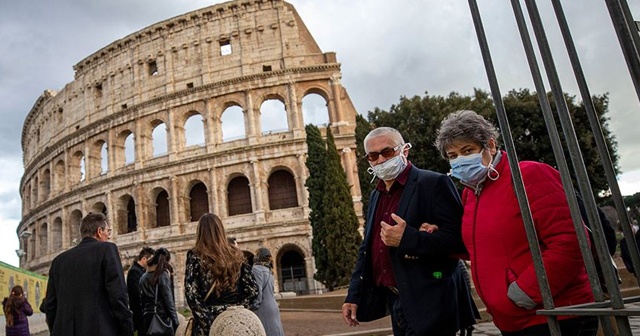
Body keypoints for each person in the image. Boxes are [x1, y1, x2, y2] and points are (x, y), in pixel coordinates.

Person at [434, 110, 597, 335]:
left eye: (467, 150)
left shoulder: (528, 175)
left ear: (490, 146)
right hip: (512, 320)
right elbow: (480, 248)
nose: (460, 160)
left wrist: (525, 293)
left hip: (554, 315)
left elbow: (571, 241)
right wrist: (433, 234)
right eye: (452, 156)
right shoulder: (471, 194)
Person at [342, 126, 476, 335]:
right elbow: (368, 248)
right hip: (397, 300)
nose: (381, 160)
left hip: (432, 302)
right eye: (373, 155)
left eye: (388, 152)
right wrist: (354, 295)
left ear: (404, 150)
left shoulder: (433, 183)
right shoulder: (376, 195)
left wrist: (409, 238)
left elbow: (460, 240)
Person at [44, 212, 134, 336]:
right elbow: (118, 297)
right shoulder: (107, 250)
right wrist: (127, 330)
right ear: (99, 231)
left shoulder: (58, 262)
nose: (108, 236)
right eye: (108, 231)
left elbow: (50, 305)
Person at [185, 213, 258, 336]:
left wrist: (208, 320)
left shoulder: (195, 255)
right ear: (221, 229)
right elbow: (253, 291)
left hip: (207, 322)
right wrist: (238, 311)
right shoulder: (236, 254)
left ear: (200, 232)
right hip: (236, 323)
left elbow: (191, 294)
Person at [140, 247, 179, 336]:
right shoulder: (162, 275)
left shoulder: (143, 277)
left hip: (148, 317)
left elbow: (142, 301)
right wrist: (176, 322)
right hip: (161, 317)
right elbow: (168, 301)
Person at [250, 247, 284, 336]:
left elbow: (258, 290)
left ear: (258, 256)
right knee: (276, 331)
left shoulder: (256, 269)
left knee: (266, 332)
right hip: (273, 305)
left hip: (263, 307)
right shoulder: (269, 270)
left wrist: (254, 306)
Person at [128, 246, 155, 335]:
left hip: (144, 311)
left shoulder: (141, 271)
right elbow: (137, 292)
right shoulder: (134, 272)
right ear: (144, 259)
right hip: (140, 312)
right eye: (151, 260)